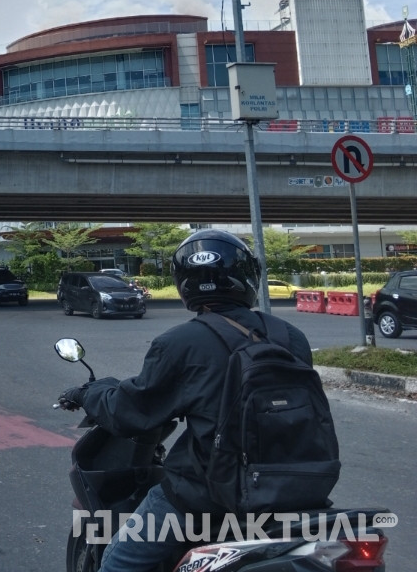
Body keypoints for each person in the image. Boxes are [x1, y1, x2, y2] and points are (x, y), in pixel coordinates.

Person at [58, 229, 319, 572]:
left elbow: (132, 412)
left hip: (211, 493)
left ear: (184, 284)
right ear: (248, 276)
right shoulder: (291, 336)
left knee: (117, 563)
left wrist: (87, 393)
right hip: (300, 484)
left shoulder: (181, 342)